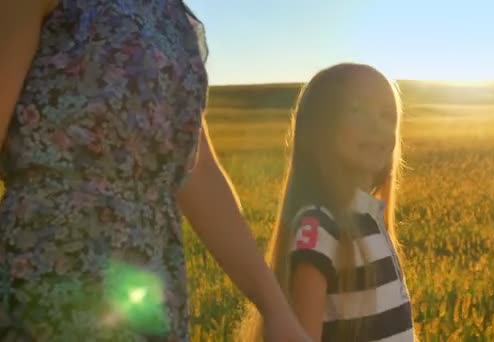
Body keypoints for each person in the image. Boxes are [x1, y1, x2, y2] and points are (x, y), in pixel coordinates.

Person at [0, 1, 310, 341]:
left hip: (152, 282)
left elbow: (196, 167)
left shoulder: (173, 17)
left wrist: (277, 310)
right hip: (48, 276)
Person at [239, 63, 416, 341]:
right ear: (319, 129)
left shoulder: (369, 218)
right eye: (357, 111)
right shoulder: (320, 226)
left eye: (387, 115)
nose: (376, 126)